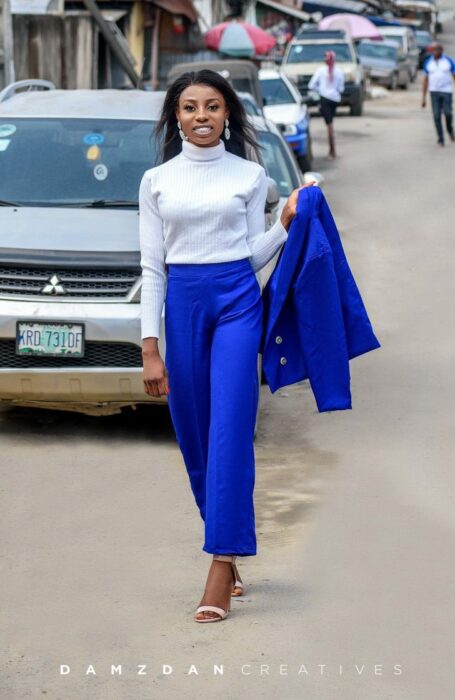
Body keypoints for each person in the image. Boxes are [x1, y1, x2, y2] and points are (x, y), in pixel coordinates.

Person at [139, 69, 315, 623]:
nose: (201, 117)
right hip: (183, 306)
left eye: (212, 106)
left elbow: (252, 254)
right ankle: (224, 536)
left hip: (238, 302)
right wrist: (149, 346)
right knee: (194, 435)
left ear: (228, 115)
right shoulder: (155, 181)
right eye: (189, 107)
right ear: (175, 117)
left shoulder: (252, 176)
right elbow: (152, 266)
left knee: (230, 430)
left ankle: (220, 561)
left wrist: (285, 221)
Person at [308, 50, 345, 159]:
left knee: (329, 126)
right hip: (334, 100)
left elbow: (311, 85)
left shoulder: (320, 70)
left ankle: (332, 150)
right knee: (330, 124)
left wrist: (321, 90)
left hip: (324, 99)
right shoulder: (339, 72)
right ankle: (332, 150)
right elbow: (341, 89)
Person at [421, 42, 455, 146]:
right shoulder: (428, 62)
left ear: (441, 50)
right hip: (434, 91)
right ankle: (441, 138)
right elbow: (425, 80)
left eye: (437, 50)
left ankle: (450, 130)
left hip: (446, 91)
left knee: (448, 113)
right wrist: (423, 98)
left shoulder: (448, 61)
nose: (435, 52)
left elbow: (454, 76)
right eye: (433, 50)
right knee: (436, 115)